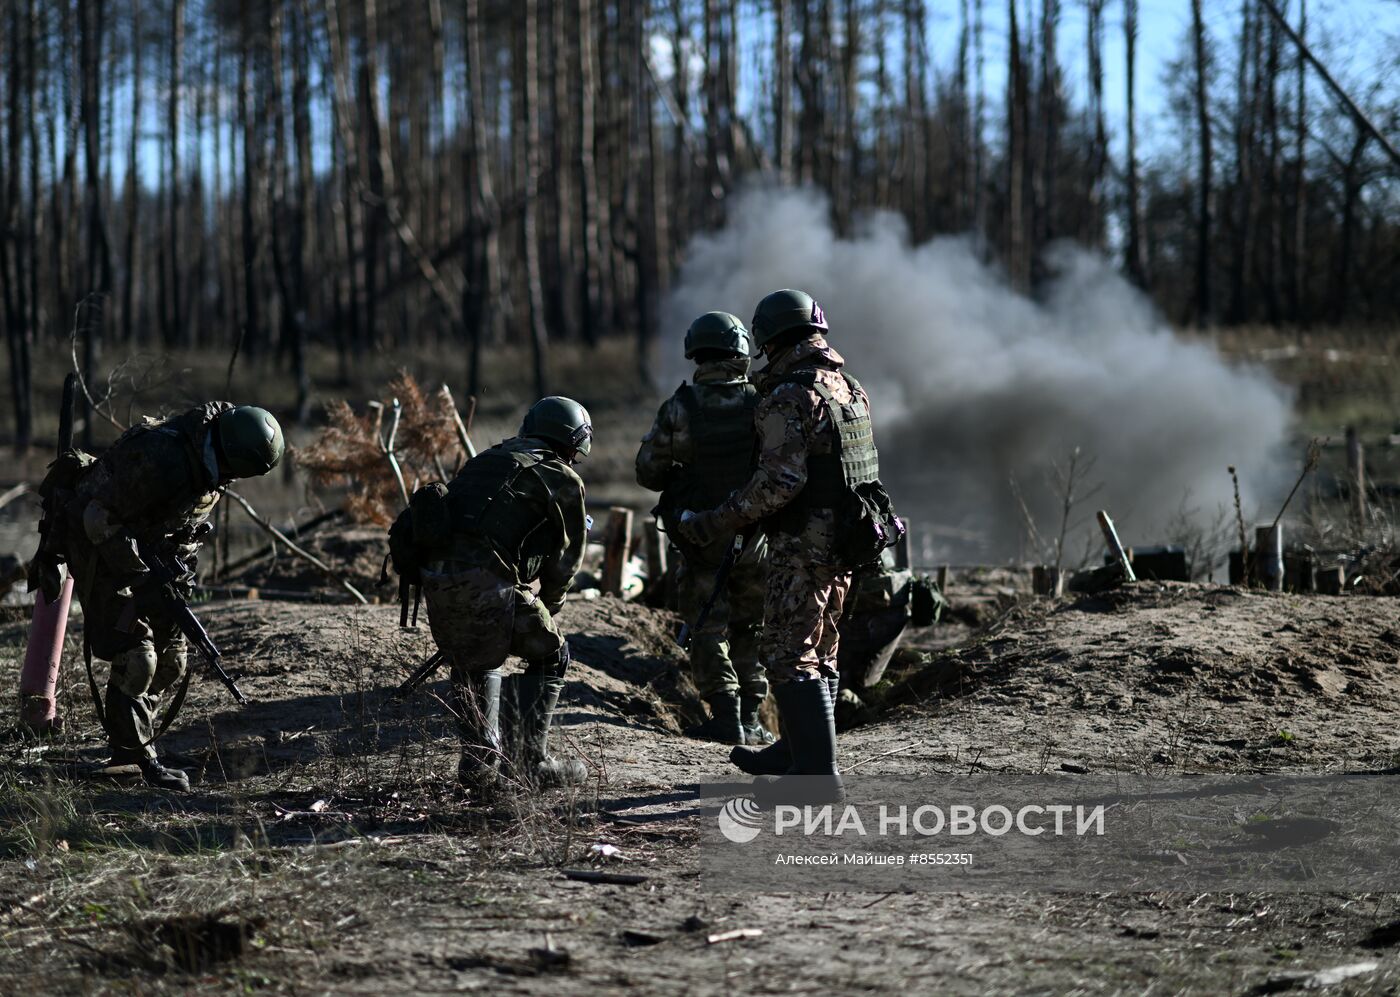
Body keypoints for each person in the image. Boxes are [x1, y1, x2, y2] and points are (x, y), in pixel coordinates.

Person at [679, 289, 895, 803]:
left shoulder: (789, 395)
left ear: (770, 340)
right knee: (819, 647)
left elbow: (781, 481)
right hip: (847, 539)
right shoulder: (848, 387)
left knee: (786, 652)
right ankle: (798, 752)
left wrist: (719, 519)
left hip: (805, 544)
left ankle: (817, 780)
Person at [54, 404, 285, 791]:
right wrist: (141, 576)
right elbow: (97, 517)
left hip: (149, 559)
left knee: (173, 660)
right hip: (99, 547)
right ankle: (130, 757)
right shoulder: (161, 456)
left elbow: (182, 530)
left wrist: (177, 582)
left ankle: (140, 739)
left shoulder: (211, 467)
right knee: (138, 656)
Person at [414, 396, 592, 795]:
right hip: (489, 584)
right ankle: (532, 763)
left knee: (472, 660)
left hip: (436, 581)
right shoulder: (560, 476)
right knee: (552, 653)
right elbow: (568, 558)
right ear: (575, 440)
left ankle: (479, 764)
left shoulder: (485, 460)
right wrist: (552, 605)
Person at [635, 311, 772, 747]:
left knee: (707, 626)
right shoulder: (764, 401)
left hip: (701, 536)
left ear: (698, 353)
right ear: (740, 352)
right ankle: (752, 719)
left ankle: (725, 715)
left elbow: (648, 473)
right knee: (751, 626)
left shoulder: (681, 407)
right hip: (755, 536)